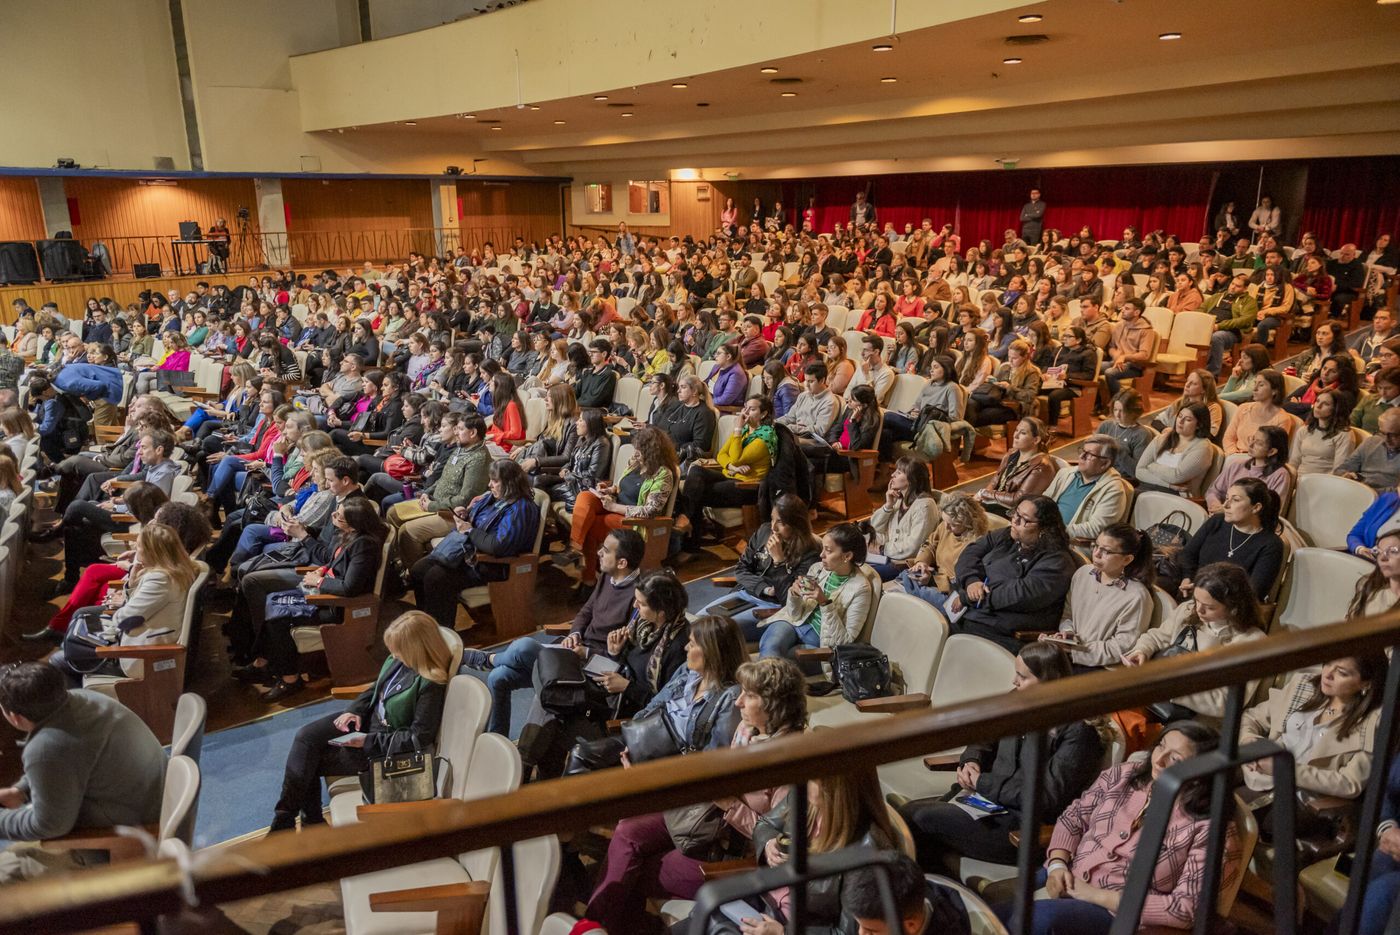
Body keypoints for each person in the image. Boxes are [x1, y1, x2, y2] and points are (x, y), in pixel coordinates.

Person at [580, 657, 809, 934]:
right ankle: (593, 927)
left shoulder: (792, 760)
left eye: (748, 696)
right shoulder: (747, 730)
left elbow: (774, 840)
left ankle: (616, 928)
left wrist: (728, 803)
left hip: (729, 847)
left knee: (634, 874)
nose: (738, 703)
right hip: (700, 816)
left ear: (775, 704)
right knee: (629, 831)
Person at [1009, 722, 1240, 934]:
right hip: (1067, 875)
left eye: (1176, 759)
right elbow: (1075, 816)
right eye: (1161, 746)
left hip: (1117, 915)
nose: (1159, 760)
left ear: (1202, 772)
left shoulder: (1211, 830)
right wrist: (1057, 864)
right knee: (984, 915)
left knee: (1033, 921)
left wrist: (1095, 895)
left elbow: (1186, 908)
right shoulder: (1124, 775)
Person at [900, 643, 1104, 869]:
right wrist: (972, 761)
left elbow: (1045, 797)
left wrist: (982, 782)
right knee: (907, 819)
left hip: (1017, 827)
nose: (1014, 682)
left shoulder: (1079, 731)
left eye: (1022, 677)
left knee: (916, 819)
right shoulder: (1017, 699)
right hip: (984, 802)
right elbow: (984, 737)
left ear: (1048, 680)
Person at [269, 611, 452, 832]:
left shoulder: (430, 683)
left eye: (398, 651)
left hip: (382, 747)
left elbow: (418, 737)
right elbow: (376, 688)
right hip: (367, 721)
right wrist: (354, 710)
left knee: (310, 759)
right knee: (306, 736)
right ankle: (292, 820)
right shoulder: (400, 660)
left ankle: (297, 824)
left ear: (415, 649)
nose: (393, 656)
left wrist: (367, 741)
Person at [461, 529, 644, 737]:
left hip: (594, 670)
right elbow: (586, 611)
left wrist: (584, 652)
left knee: (524, 647)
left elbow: (621, 659)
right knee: (498, 677)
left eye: (605, 550)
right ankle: (497, 738)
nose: (599, 553)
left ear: (622, 563)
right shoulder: (608, 576)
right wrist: (574, 633)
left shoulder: (639, 599)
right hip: (574, 653)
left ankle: (488, 659)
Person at [0, 663, 165, 883]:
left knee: (5, 872)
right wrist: (20, 791)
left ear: (15, 717)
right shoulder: (84, 699)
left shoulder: (47, 748)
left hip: (121, 842)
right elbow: (69, 763)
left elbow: (50, 825)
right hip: (148, 808)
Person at [714, 767, 902, 935]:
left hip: (796, 924)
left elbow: (848, 931)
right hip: (764, 899)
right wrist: (769, 843)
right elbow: (765, 824)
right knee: (705, 917)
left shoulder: (868, 851)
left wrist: (784, 932)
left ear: (837, 790)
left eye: (812, 779)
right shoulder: (803, 798)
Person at [238, 498, 388, 701]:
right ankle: (263, 662)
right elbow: (334, 562)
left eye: (339, 516)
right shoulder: (348, 535)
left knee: (277, 618)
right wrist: (324, 570)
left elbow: (350, 587)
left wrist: (319, 581)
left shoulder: (364, 546)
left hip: (337, 607)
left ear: (353, 524)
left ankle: (290, 679)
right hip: (325, 595)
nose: (333, 516)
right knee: (273, 601)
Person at [564, 613, 745, 777]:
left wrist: (648, 771)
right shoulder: (687, 672)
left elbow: (715, 758)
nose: (686, 648)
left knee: (590, 767)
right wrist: (635, 737)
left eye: (692, 643)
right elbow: (654, 704)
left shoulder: (730, 696)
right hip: (647, 739)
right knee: (580, 753)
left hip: (672, 761)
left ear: (710, 651)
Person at [1240, 653, 1387, 837]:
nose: (1327, 674)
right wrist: (1249, 742)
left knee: (1244, 821)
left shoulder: (1375, 721)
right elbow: (1252, 718)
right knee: (1208, 797)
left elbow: (1350, 784)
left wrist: (1284, 769)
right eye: (1328, 663)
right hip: (1259, 781)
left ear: (1366, 683)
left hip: (1306, 801)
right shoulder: (1304, 686)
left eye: (1341, 673)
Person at [48, 522, 198, 685]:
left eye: (138, 546)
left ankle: (85, 704)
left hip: (141, 656)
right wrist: (132, 581)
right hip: (142, 643)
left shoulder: (160, 579)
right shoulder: (179, 570)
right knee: (74, 642)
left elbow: (125, 620)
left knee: (58, 660)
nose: (135, 549)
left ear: (151, 551)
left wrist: (121, 605)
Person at [1125, 563, 1267, 722]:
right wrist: (1142, 650)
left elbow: (1225, 702)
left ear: (1234, 606)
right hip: (1157, 699)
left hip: (1198, 719)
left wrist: (1170, 687)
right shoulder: (1188, 609)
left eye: (1209, 607)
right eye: (1196, 600)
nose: (1199, 610)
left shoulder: (1252, 641)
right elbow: (1158, 636)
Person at [409, 459, 542, 629]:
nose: (489, 485)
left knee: (436, 578)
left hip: (496, 564)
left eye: (494, 481)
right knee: (418, 570)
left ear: (510, 482)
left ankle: (441, 635)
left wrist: (469, 530)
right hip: (472, 553)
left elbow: (498, 546)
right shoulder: (493, 497)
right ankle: (425, 625)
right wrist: (466, 515)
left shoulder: (521, 508)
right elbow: (479, 522)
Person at [556, 424, 678, 591]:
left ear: (651, 452)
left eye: (639, 450)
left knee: (591, 526)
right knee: (584, 497)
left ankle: (588, 581)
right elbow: (622, 486)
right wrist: (610, 489)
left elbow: (650, 510)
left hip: (633, 520)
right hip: (614, 505)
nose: (635, 453)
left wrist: (614, 507)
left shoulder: (664, 475)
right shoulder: (636, 463)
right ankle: (575, 547)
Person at [947, 494, 1077, 652]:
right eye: (1016, 514)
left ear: (1044, 528)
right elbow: (970, 553)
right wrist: (971, 581)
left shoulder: (1057, 562)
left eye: (1025, 520)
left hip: (1000, 631)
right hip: (970, 612)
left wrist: (968, 597)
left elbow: (1017, 594)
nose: (1015, 521)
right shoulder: (1009, 535)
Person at [695, 495, 821, 641]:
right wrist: (765, 589)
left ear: (796, 524)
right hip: (748, 593)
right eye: (772, 519)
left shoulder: (811, 554)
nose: (773, 527)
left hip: (773, 607)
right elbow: (741, 568)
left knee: (712, 633)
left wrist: (779, 561)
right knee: (697, 622)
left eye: (780, 522)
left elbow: (791, 602)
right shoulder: (764, 531)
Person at [759, 522, 877, 659]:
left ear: (847, 556)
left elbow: (844, 642)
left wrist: (824, 603)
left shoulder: (861, 588)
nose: (821, 555)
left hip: (819, 642)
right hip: (796, 623)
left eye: (828, 550)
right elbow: (795, 615)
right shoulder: (818, 569)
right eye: (823, 549)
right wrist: (794, 594)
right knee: (771, 648)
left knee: (782, 660)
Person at [1050, 524, 1154, 670]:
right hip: (1071, 656)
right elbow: (1068, 615)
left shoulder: (1137, 596)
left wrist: (1076, 651)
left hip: (1100, 667)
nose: (1097, 554)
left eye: (1106, 551)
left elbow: (1122, 647)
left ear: (1127, 559)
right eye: (1096, 546)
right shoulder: (1083, 573)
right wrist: (1067, 634)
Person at [676, 395, 775, 545]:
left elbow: (735, 457)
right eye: (746, 407)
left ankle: (690, 539)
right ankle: (687, 521)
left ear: (763, 414)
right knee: (696, 470)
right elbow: (722, 455)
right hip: (731, 475)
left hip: (748, 487)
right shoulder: (746, 430)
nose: (746, 412)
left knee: (697, 491)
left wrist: (737, 430)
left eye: (752, 409)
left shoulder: (765, 437)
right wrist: (731, 466)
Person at [839, 853, 973, 935]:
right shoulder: (868, 908)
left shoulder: (950, 928)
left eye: (872, 932)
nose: (860, 933)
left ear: (911, 925)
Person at [897, 492, 990, 607]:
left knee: (907, 579)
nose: (946, 527)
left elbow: (963, 580)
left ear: (968, 523)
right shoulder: (946, 526)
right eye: (944, 521)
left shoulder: (977, 543)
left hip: (951, 591)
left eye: (953, 524)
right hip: (934, 578)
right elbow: (930, 544)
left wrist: (931, 579)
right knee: (908, 576)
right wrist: (922, 563)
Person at [1042, 435, 1131, 541]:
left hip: (1072, 544)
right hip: (1045, 534)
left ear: (1105, 463)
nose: (1081, 456)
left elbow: (1096, 529)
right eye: (1082, 451)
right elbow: (1044, 502)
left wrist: (1055, 531)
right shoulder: (1065, 473)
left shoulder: (1114, 490)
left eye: (1089, 454)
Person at [868, 456, 941, 581]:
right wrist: (888, 506)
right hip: (889, 557)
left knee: (866, 575)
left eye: (899, 472)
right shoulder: (898, 500)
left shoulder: (925, 505)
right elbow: (875, 528)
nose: (892, 475)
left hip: (905, 564)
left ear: (912, 479)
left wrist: (882, 549)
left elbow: (913, 547)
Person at [975, 417, 1056, 516]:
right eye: (1016, 430)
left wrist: (985, 494)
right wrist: (980, 499)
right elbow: (995, 481)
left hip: (1013, 514)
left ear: (1036, 440)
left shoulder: (1042, 466)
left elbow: (1017, 500)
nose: (1015, 435)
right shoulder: (1012, 453)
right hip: (994, 503)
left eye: (1023, 433)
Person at [1206, 425, 1294, 513]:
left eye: (1258, 443)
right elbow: (1214, 491)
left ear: (1271, 451)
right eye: (1252, 439)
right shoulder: (1236, 464)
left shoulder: (1280, 475)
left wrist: (1229, 511)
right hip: (1222, 515)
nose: (1251, 445)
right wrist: (1216, 506)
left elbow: (1270, 511)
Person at [1134, 402, 1216, 496]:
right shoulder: (1163, 438)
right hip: (1148, 488)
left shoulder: (1203, 447)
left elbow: (1176, 476)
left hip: (1175, 497)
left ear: (1199, 425)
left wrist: (1151, 466)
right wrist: (1169, 484)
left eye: (1188, 419)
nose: (1180, 421)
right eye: (1180, 416)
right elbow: (1139, 471)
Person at [1095, 389, 1155, 482]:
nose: (1117, 415)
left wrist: (1119, 451)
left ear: (1133, 412)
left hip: (1122, 480)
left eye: (1122, 411)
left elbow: (1136, 472)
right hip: (1100, 473)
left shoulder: (1142, 434)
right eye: (1115, 410)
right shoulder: (1106, 425)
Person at [1154, 369, 1224, 443]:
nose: (1187, 385)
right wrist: (1165, 429)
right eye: (1187, 381)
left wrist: (1179, 434)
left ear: (1204, 389)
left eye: (1193, 383)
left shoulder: (1213, 408)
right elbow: (1156, 421)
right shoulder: (1179, 403)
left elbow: (1210, 436)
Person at [1339, 407, 1400, 490]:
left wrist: (1370, 490)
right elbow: (1344, 468)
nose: (1386, 439)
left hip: (1387, 498)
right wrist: (1346, 475)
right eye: (1382, 433)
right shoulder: (1371, 442)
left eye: (1393, 435)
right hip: (1359, 489)